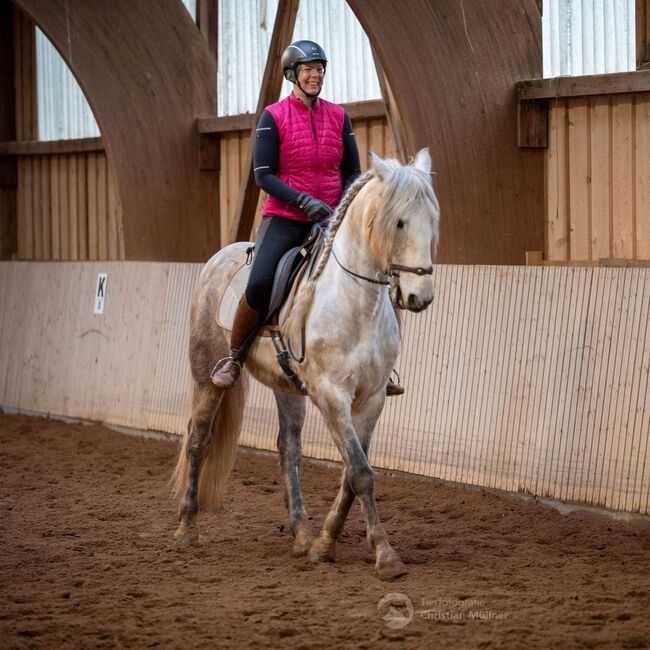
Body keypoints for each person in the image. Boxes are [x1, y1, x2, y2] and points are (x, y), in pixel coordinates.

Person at [211, 39, 404, 396]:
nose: (315, 75)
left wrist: (343, 206)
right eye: (308, 70)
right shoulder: (273, 117)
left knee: (379, 273)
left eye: (319, 69)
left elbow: (352, 171)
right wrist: (302, 201)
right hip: (285, 218)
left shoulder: (338, 116)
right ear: (293, 75)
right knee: (260, 282)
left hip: (332, 217)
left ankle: (382, 366)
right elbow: (263, 175)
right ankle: (235, 356)